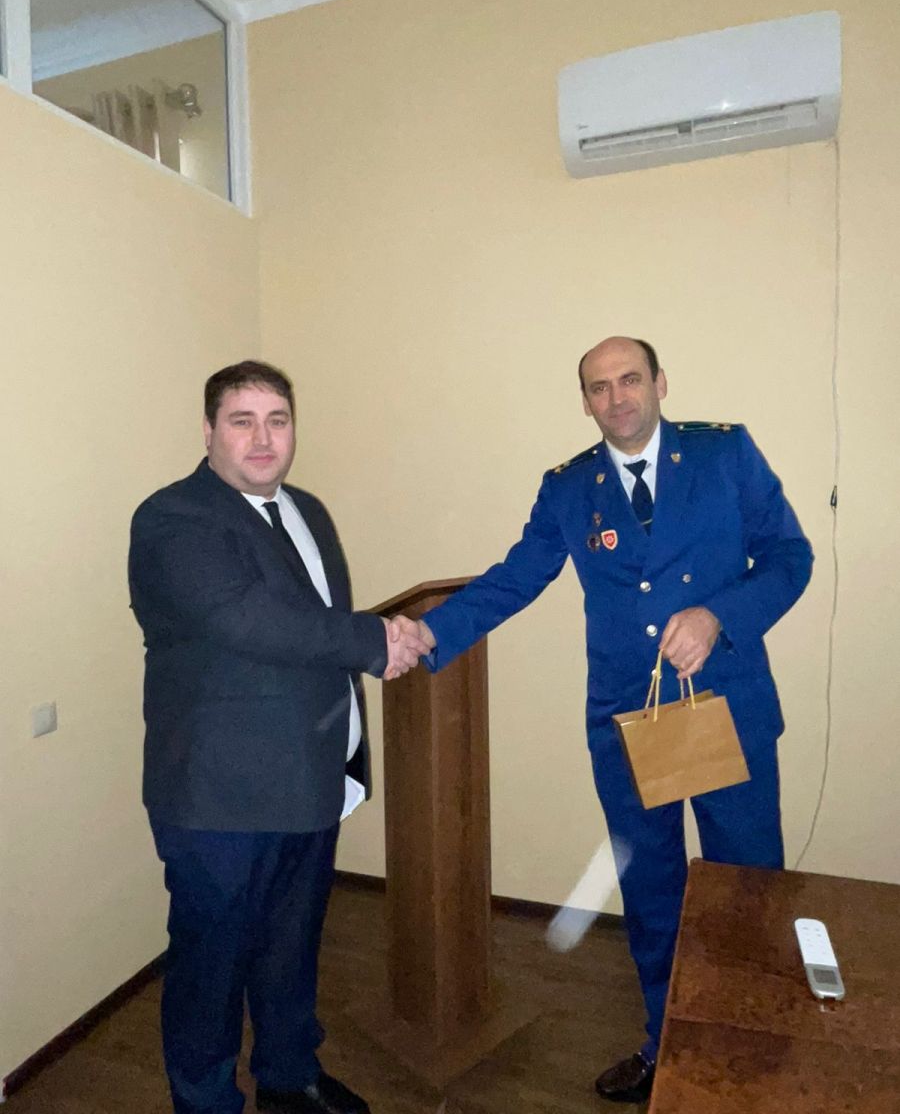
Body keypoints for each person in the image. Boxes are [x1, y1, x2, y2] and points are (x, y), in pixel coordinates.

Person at [406, 337, 812, 1103]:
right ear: (586, 401)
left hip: (727, 710)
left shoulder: (724, 455)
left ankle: (751, 1045)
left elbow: (791, 557)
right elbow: (516, 577)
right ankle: (665, 1043)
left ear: (660, 383)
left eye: (630, 379)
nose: (617, 397)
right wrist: (429, 635)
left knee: (747, 891)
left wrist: (720, 616)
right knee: (652, 891)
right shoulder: (569, 488)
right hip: (630, 722)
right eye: (599, 387)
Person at [129, 360, 428, 1114]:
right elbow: (244, 619)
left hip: (310, 777)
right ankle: (206, 1102)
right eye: (243, 421)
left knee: (292, 947)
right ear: (208, 431)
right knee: (211, 966)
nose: (264, 439)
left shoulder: (307, 511)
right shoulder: (173, 518)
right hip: (219, 797)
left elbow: (310, 631)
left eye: (278, 420)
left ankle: (289, 1076)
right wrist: (375, 640)